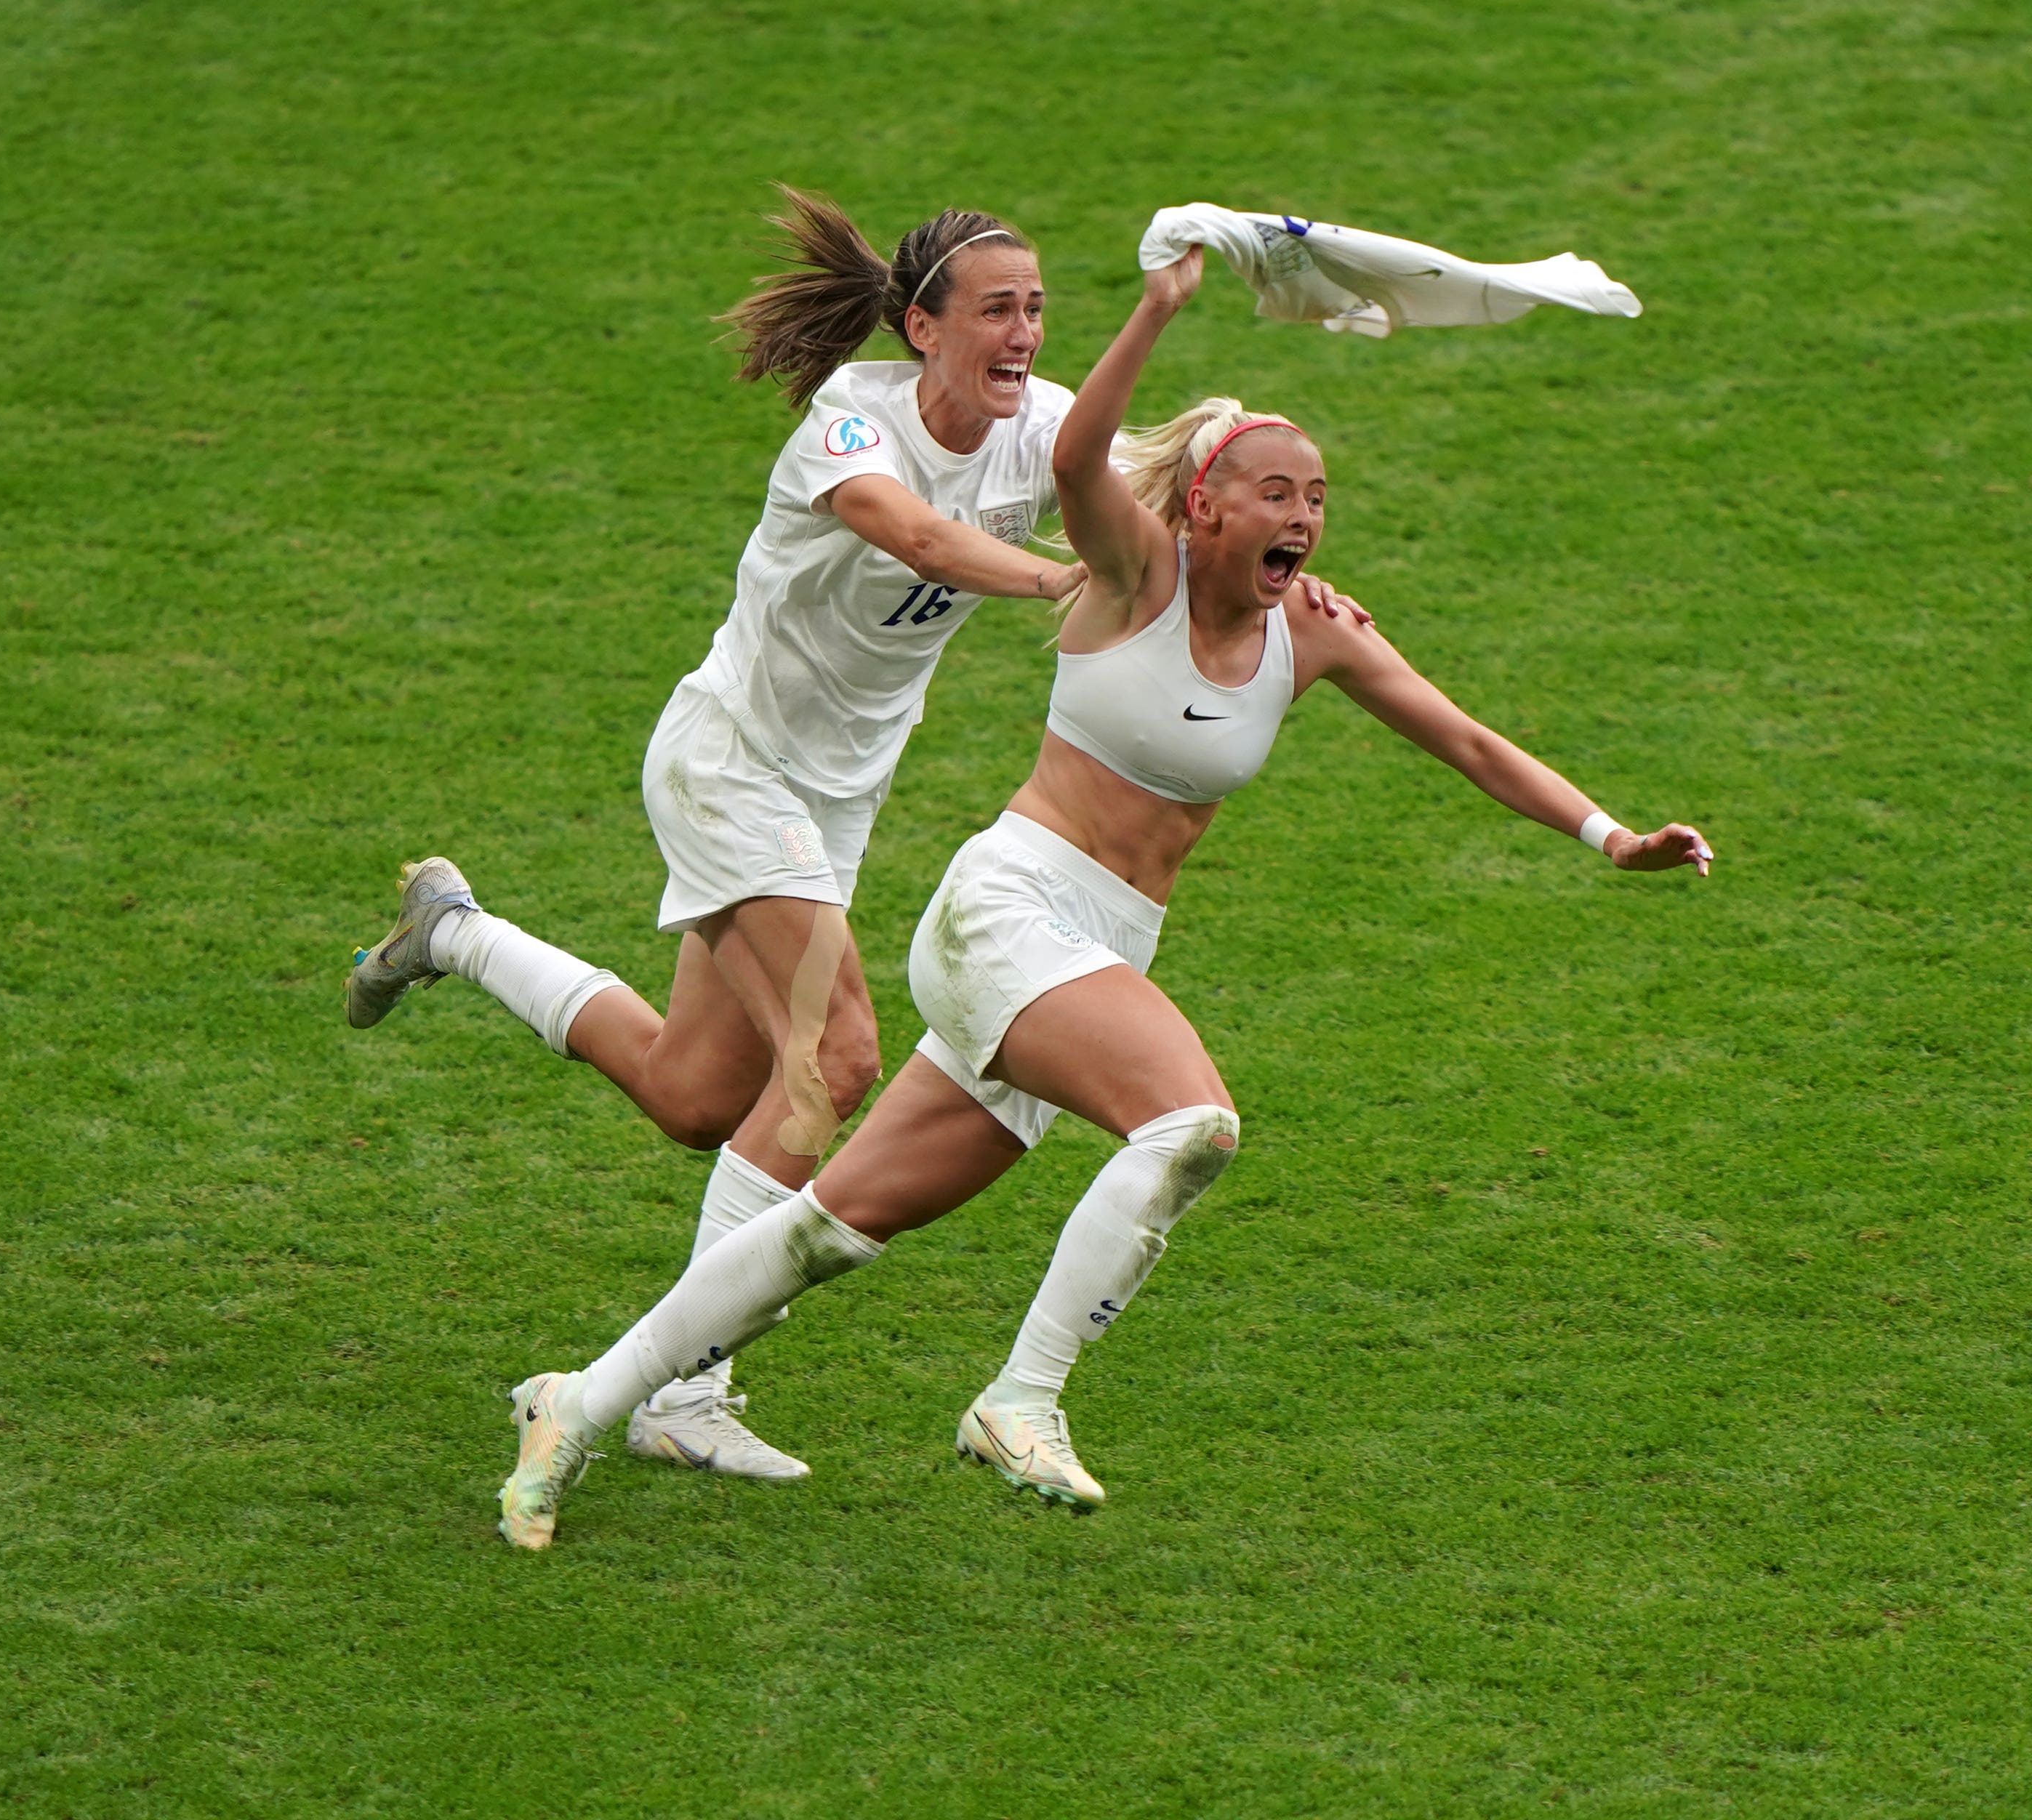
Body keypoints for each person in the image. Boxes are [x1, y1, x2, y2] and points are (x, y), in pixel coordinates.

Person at [491, 241, 1712, 1548]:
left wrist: (1608, 835)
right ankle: (1020, 1400)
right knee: (1187, 1126)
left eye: (1316, 498)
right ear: (1201, 507)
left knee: (829, 1225)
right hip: (996, 907)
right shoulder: (1128, 571)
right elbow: (1067, 474)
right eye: (1272, 493)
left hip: (1088, 933)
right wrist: (1157, 307)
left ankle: (587, 1397)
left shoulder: (1316, 632)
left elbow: (1467, 740)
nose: (1302, 518)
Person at [345, 190, 1091, 1482]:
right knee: (835, 1062)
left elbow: (1149, 511)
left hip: (834, 798)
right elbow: (914, 533)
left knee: (700, 1097)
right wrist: (1059, 578)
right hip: (732, 767)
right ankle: (682, 1390)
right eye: (996, 310)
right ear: (922, 328)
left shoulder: (1047, 429)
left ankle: (452, 934)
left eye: (1035, 308)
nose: (1023, 333)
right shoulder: (848, 421)